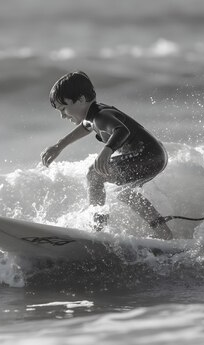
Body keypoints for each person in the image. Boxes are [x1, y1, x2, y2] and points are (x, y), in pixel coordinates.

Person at [41, 71, 173, 240]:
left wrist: (107, 150)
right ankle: (165, 235)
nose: (62, 115)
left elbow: (121, 130)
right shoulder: (94, 115)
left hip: (146, 156)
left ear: (81, 99)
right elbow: (85, 126)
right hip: (155, 157)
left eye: (64, 108)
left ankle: (97, 230)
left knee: (94, 174)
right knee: (126, 194)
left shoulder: (102, 116)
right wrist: (59, 145)